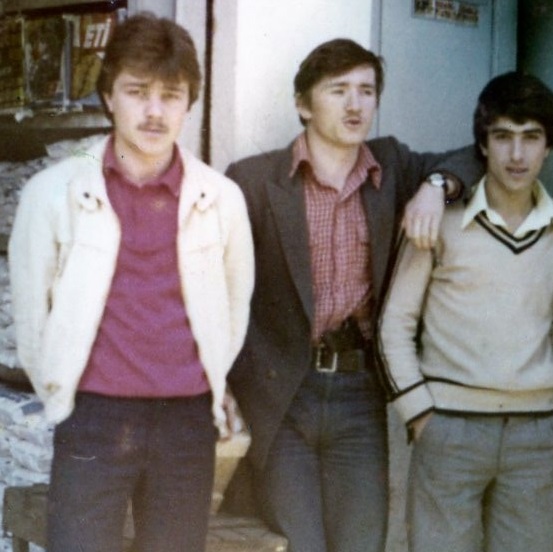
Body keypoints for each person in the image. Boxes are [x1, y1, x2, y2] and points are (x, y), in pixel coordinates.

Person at [9, 13, 254, 552]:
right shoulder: (53, 193)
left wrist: (207, 384)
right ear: (108, 96)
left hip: (187, 420)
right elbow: (31, 319)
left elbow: (235, 309)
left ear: (189, 103)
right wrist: (63, 392)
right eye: (137, 92)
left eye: (171, 95)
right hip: (93, 416)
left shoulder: (220, 199)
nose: (154, 111)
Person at [225, 38, 482, 552]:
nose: (354, 104)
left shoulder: (393, 166)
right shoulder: (253, 181)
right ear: (303, 104)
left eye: (366, 91)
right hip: (283, 394)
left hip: (359, 394)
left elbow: (474, 156)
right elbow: (220, 292)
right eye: (338, 90)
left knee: (362, 542)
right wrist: (229, 386)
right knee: (298, 543)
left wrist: (436, 186)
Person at [377, 72, 553, 552]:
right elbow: (395, 323)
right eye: (503, 137)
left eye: (531, 137)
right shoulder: (440, 218)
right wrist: (419, 414)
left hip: (536, 433)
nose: (517, 154)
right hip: (449, 427)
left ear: (549, 146)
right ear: (483, 144)